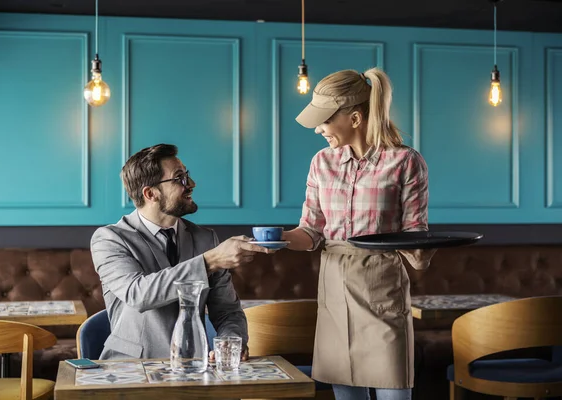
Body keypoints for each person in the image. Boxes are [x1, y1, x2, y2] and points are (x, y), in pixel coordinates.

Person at [282, 68, 436, 400]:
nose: (319, 129)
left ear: (354, 118)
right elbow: (311, 231)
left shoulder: (405, 162)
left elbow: (415, 233)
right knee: (346, 394)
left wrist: (422, 253)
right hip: (334, 289)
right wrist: (276, 239)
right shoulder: (321, 162)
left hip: (382, 290)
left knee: (394, 393)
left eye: (324, 120)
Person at [90, 143, 272, 360]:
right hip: (129, 371)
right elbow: (138, 294)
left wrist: (231, 340)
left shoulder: (206, 238)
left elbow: (227, 312)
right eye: (179, 178)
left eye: (187, 175)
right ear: (151, 193)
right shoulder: (110, 239)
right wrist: (210, 260)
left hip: (194, 367)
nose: (192, 184)